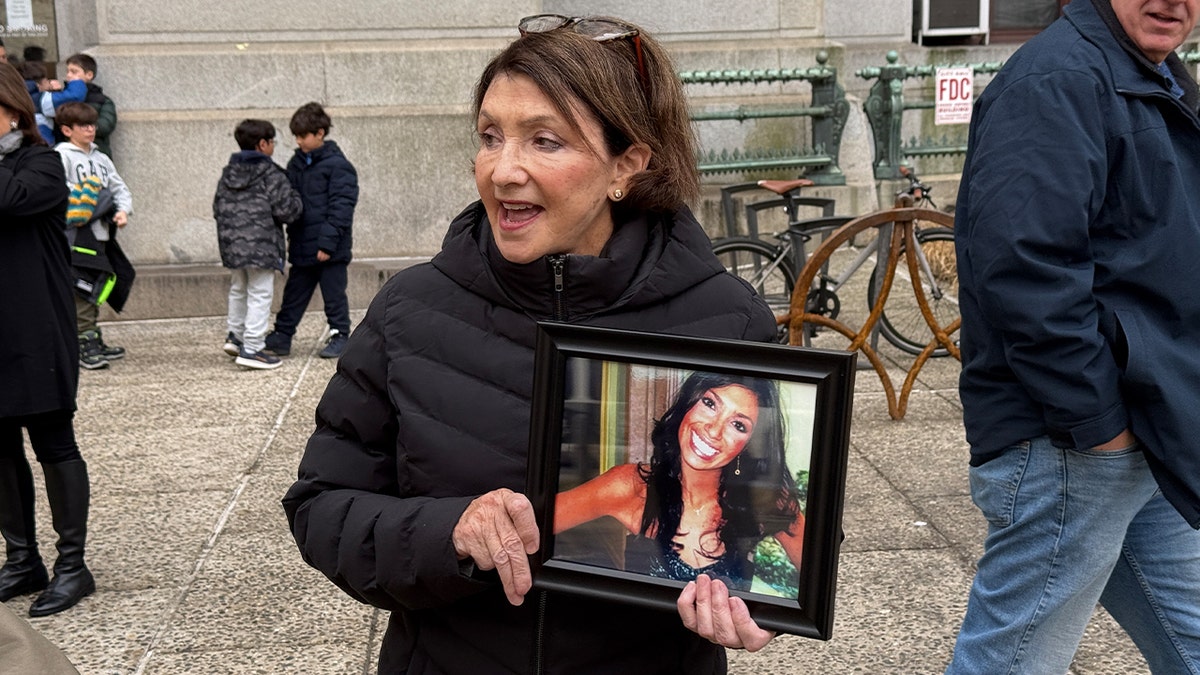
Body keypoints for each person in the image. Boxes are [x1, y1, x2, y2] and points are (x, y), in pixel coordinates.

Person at [283, 14, 782, 674]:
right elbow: (322, 506)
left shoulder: (728, 317)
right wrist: (447, 532)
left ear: (625, 165)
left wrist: (754, 598)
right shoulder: (411, 312)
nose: (503, 170)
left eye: (544, 141)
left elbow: (791, 527)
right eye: (491, 136)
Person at [948, 0, 1200, 672]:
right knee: (1012, 660)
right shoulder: (1059, 80)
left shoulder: (1153, 74)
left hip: (1148, 429)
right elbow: (1025, 270)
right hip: (1074, 440)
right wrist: (1098, 424)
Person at [554, 372, 804, 594]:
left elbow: (817, 582)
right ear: (688, 404)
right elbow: (530, 525)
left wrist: (770, 623)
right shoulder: (632, 486)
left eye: (738, 425)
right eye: (709, 403)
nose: (714, 431)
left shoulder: (766, 499)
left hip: (711, 649)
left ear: (748, 445)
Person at [0, 62, 96, 618]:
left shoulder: (41, 163)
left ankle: (71, 565)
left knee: (53, 443)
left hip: (36, 331)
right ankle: (21, 560)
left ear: (12, 108)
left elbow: (11, 199)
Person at [263, 102, 357, 360]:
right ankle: (282, 335)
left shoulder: (338, 166)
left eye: (304, 136)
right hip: (303, 245)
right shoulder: (296, 164)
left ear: (320, 133)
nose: (299, 141)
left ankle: (340, 334)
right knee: (294, 294)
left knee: (333, 295)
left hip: (330, 249)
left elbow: (341, 207)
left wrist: (327, 245)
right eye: (296, 136)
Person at [213, 118, 303, 370]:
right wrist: (297, 196)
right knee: (260, 292)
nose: (273, 146)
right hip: (261, 244)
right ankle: (252, 348)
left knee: (238, 287)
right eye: (272, 141)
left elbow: (217, 207)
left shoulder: (228, 172)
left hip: (232, 244)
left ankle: (236, 335)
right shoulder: (270, 173)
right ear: (262, 144)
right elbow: (287, 210)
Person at [54, 101, 133, 370]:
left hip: (101, 235)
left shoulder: (101, 159)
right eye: (83, 126)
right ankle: (83, 342)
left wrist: (122, 210)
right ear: (67, 130)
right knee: (82, 286)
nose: (90, 130)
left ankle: (92, 337)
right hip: (75, 236)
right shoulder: (61, 156)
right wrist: (93, 198)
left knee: (99, 283)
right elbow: (61, 193)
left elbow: (120, 188)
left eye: (92, 124)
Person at [63, 54, 117, 159]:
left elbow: (105, 126)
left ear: (89, 75)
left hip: (96, 154)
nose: (69, 75)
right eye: (67, 71)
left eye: (74, 72)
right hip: (69, 155)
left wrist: (78, 126)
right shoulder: (63, 98)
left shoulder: (103, 101)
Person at [19, 61, 85, 147]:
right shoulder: (39, 99)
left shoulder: (18, 96)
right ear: (39, 85)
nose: (50, 84)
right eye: (47, 81)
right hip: (42, 146)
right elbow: (75, 96)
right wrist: (76, 80)